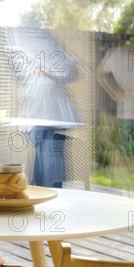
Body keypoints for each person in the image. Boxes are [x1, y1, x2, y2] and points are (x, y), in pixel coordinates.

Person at [8, 27, 80, 188]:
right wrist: (69, 66)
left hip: (39, 116)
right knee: (52, 189)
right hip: (47, 117)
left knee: (41, 186)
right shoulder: (29, 30)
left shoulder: (17, 31)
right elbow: (67, 69)